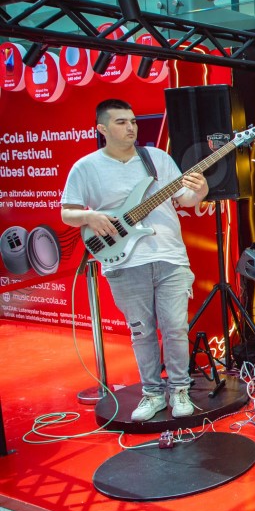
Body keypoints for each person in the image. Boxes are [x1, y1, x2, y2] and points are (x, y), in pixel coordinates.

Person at [61, 99, 209, 422]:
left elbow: (184, 198)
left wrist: (199, 191)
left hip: (169, 255)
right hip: (123, 261)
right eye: (121, 122)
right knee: (142, 332)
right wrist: (90, 217)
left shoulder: (156, 158)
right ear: (101, 129)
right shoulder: (85, 168)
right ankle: (152, 393)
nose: (131, 127)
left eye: (133, 121)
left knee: (175, 328)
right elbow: (67, 212)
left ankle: (180, 389)